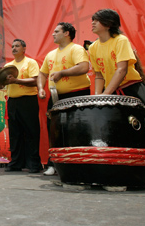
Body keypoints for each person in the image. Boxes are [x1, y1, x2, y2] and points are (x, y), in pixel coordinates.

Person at [37, 22, 91, 176]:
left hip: (77, 95)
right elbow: (42, 74)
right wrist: (41, 88)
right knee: (54, 130)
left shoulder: (76, 49)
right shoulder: (50, 54)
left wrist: (62, 73)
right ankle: (54, 163)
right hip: (55, 97)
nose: (53, 34)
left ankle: (78, 164)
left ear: (66, 33)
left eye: (56, 31)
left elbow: (83, 67)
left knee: (76, 129)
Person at [88, 9, 145, 108]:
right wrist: (98, 96)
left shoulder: (120, 40)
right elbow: (99, 75)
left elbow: (122, 70)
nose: (93, 23)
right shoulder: (92, 47)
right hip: (111, 92)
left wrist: (105, 94)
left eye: (97, 20)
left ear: (108, 24)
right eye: (93, 20)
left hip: (131, 88)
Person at [0, 39, 43, 173]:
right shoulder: (8, 66)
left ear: (24, 48)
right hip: (12, 102)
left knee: (31, 132)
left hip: (28, 101)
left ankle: (34, 164)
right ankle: (16, 163)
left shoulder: (30, 62)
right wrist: (1, 83)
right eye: (12, 46)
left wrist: (16, 80)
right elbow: (1, 83)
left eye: (17, 46)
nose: (14, 48)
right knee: (15, 134)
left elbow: (36, 80)